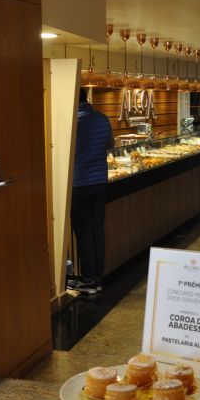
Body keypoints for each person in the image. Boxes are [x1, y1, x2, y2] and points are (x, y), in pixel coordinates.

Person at [68, 88, 113, 295]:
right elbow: (110, 145)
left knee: (84, 234)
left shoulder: (72, 123)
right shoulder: (103, 119)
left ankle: (88, 280)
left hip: (79, 184)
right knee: (97, 231)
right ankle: (97, 277)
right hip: (100, 183)